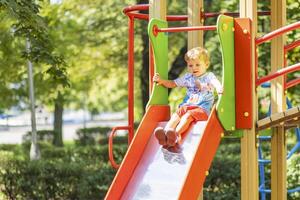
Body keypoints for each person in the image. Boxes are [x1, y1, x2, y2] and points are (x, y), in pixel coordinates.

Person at [153, 47, 223, 147]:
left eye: (197, 65)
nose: (194, 68)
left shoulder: (209, 76)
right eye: (190, 65)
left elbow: (215, 83)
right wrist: (162, 81)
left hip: (201, 109)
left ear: (206, 65)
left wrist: (219, 88)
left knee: (187, 116)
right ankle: (165, 135)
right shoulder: (188, 77)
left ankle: (175, 134)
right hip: (186, 106)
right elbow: (173, 83)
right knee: (176, 115)